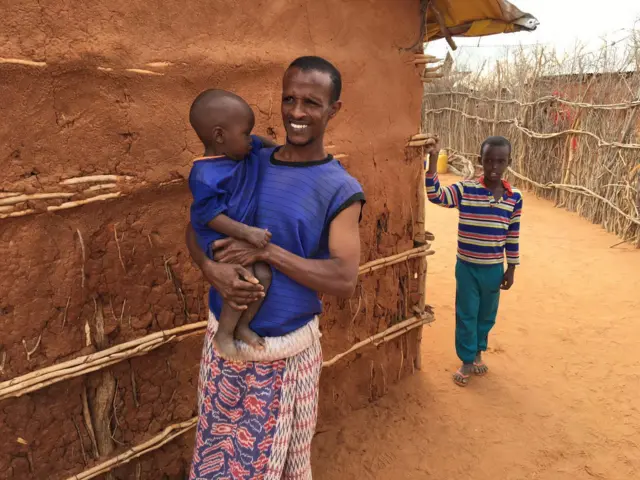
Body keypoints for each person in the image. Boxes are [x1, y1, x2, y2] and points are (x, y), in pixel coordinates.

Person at [187, 56, 365, 479]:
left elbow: (343, 279)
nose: (298, 112)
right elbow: (194, 228)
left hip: (283, 358)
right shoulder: (247, 159)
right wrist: (212, 272)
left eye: (312, 102)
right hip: (223, 347)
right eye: (290, 98)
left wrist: (268, 253)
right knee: (215, 465)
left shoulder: (340, 188)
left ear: (334, 109)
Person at [424, 135, 522, 387]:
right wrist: (434, 157)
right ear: (481, 161)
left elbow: (513, 234)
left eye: (500, 162)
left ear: (508, 163)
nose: (494, 167)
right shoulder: (466, 189)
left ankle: (478, 350)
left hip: (493, 269)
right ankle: (467, 359)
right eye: (489, 161)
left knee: (487, 315)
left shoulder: (514, 198)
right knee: (467, 313)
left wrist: (511, 268)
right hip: (467, 267)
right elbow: (435, 195)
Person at [188, 89, 274, 358]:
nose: (252, 139)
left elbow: (269, 146)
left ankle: (242, 325)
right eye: (245, 133)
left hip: (245, 236)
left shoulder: (244, 152)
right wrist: (246, 233)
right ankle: (224, 333)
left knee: (264, 276)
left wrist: (282, 151)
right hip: (221, 237)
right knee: (244, 279)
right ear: (219, 136)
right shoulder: (204, 175)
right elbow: (209, 216)